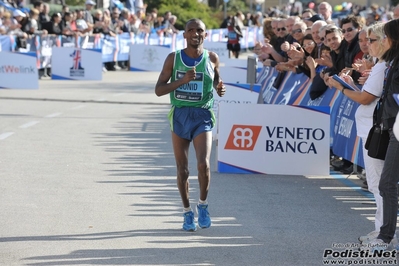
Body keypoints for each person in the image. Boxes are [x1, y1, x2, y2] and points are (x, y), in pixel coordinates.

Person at [155, 18, 226, 232]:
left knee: (203, 164)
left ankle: (202, 205)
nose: (195, 33)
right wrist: (182, 81)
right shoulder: (173, 58)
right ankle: (187, 212)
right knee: (182, 170)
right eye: (191, 30)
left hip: (202, 114)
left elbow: (216, 81)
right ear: (184, 35)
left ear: (206, 35)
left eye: (200, 30)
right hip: (180, 114)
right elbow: (159, 89)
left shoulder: (212, 58)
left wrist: (219, 89)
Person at [327, 22, 388, 244]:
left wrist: (341, 87)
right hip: (370, 130)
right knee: (376, 184)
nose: (366, 46)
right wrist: (351, 84)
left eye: (370, 41)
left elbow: (366, 98)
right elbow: (367, 94)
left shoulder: (381, 66)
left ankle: (384, 234)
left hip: (376, 132)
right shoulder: (379, 65)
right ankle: (381, 230)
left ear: (384, 41)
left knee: (380, 184)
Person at [362, 18, 399, 250]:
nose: (383, 40)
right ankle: (385, 236)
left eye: (386, 36)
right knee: (386, 183)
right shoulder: (392, 61)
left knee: (386, 183)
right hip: (392, 127)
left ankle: (385, 237)